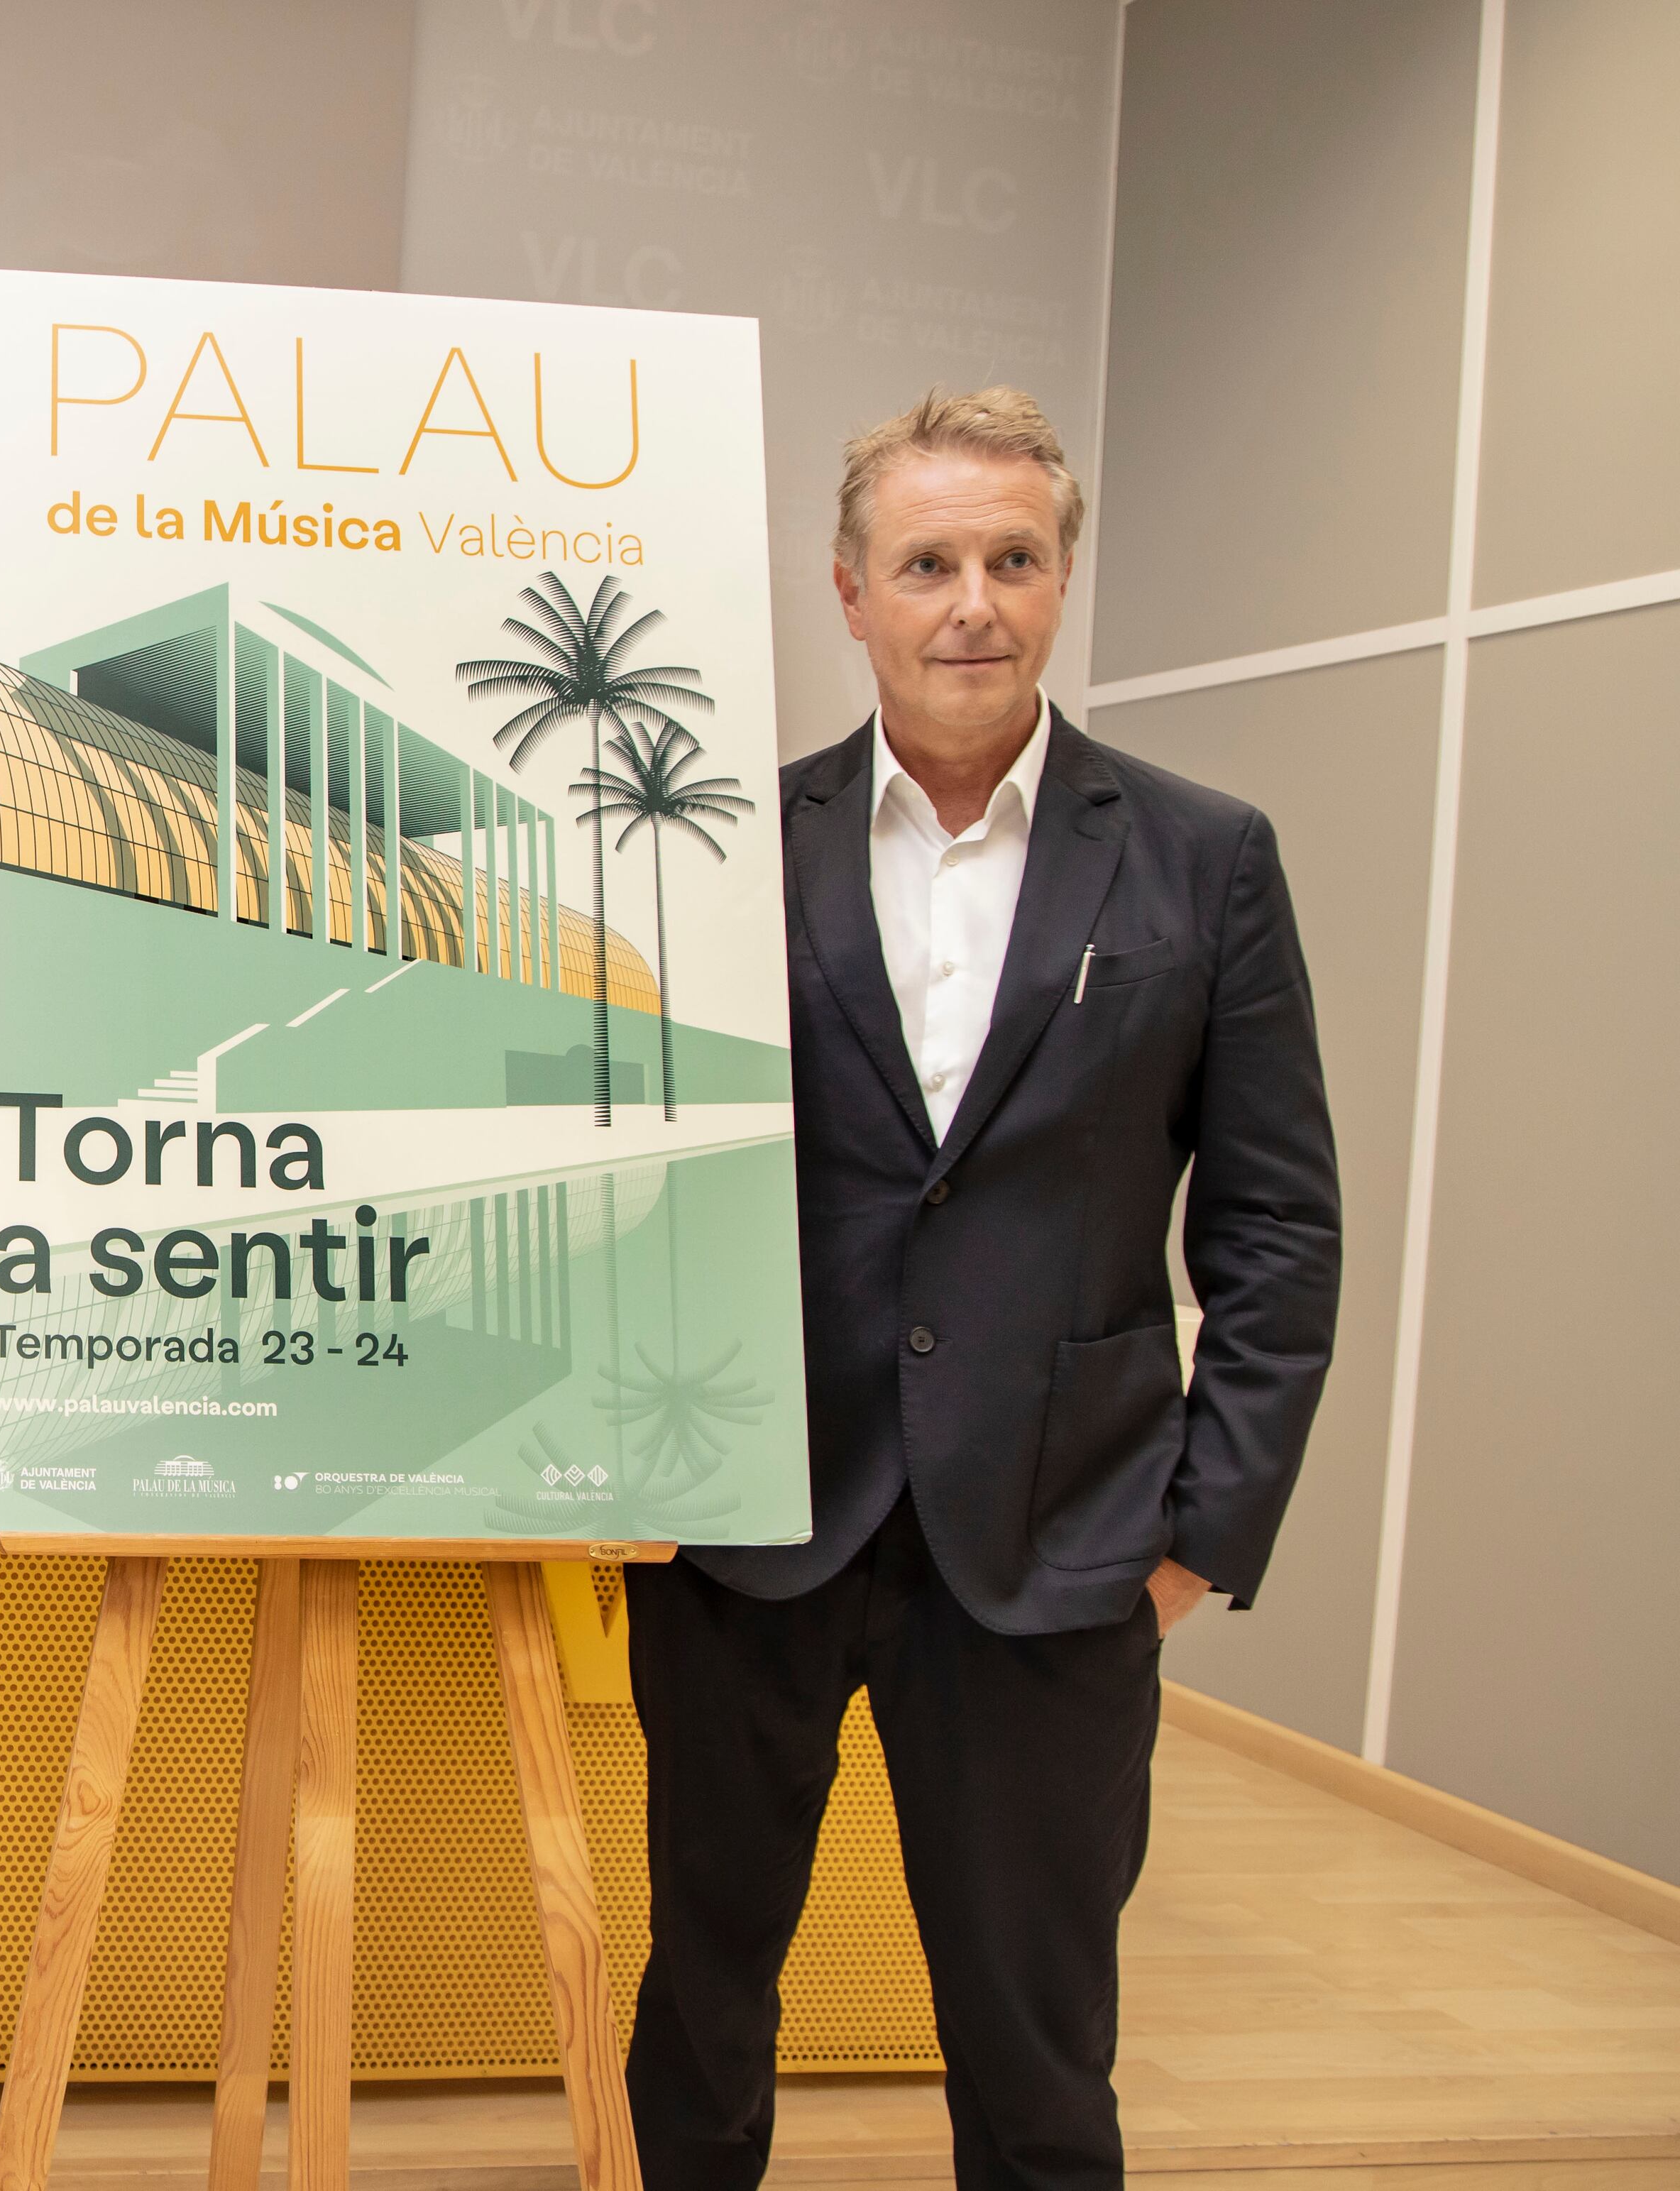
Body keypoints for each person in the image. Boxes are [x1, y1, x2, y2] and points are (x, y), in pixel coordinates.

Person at [620, 388, 1341, 2191]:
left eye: (1012, 560)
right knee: (701, 2019)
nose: (971, 603)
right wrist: (618, 1470)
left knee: (1035, 2056)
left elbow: (1274, 1225)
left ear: (1061, 577)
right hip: (747, 1528)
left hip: (1061, 1545)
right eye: (927, 561)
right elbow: (627, 1170)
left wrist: (1200, 1533)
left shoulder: (1201, 856)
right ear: (849, 591)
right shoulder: (720, 841)